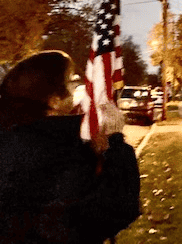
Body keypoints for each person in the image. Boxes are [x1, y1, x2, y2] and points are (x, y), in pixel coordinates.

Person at [0, 50, 140, 243]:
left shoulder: (12, 139)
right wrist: (115, 143)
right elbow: (114, 209)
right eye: (70, 81)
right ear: (54, 100)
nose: (77, 88)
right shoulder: (55, 149)